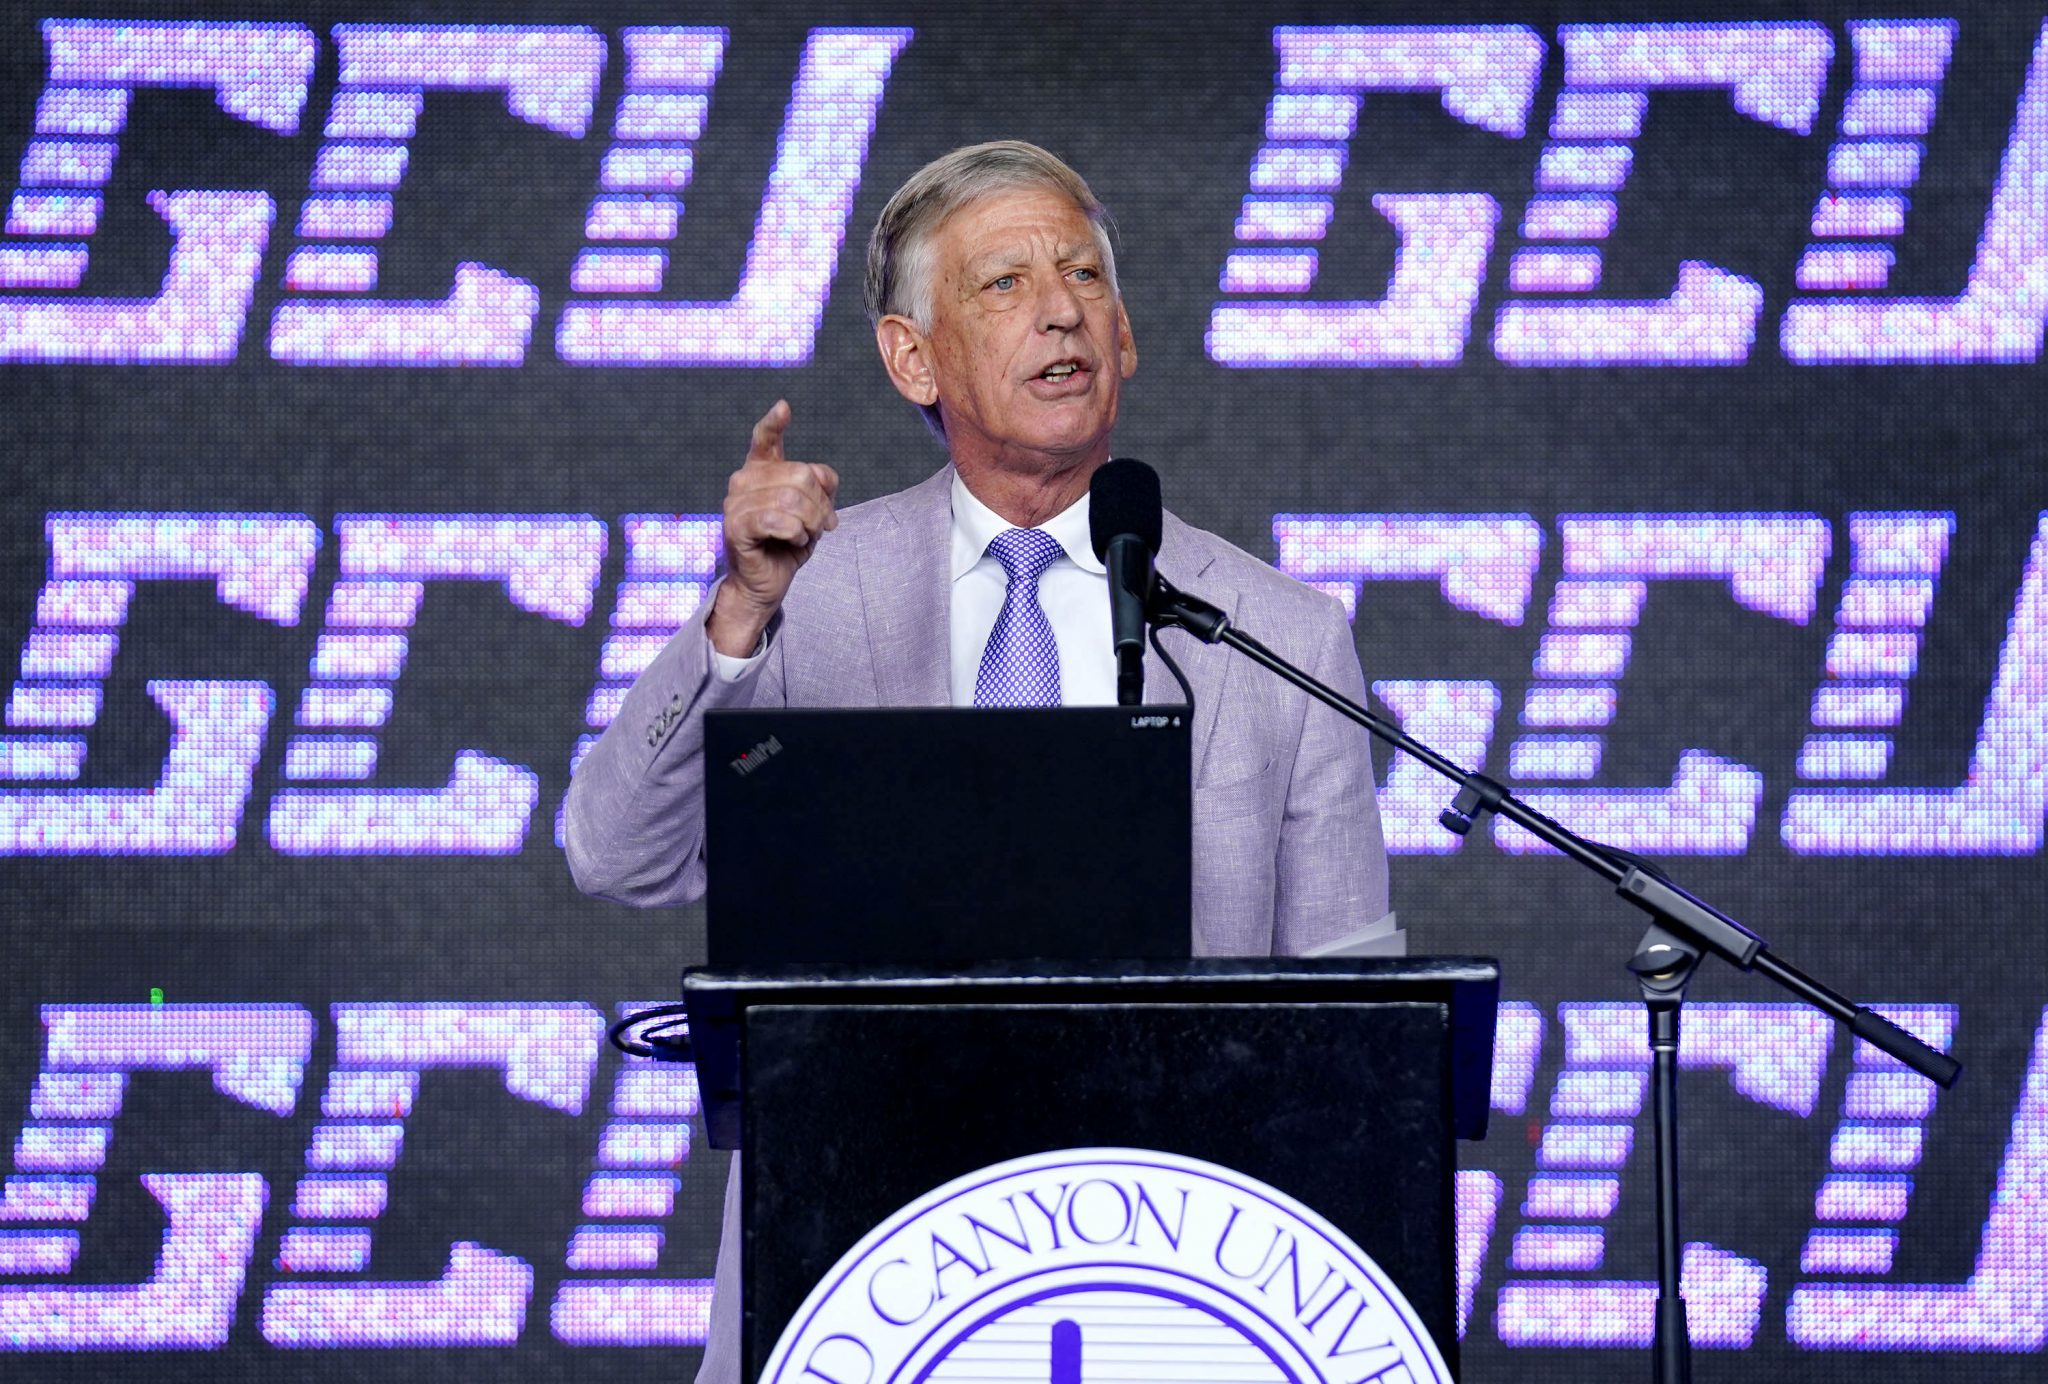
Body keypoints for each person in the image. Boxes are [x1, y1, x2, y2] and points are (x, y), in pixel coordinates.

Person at [563, 140, 1396, 1384]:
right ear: (912, 357)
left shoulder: (1278, 634)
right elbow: (614, 857)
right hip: (858, 1278)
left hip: (1172, 1287)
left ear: (1122, 337)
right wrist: (735, 615)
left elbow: (1359, 1032)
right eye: (1002, 283)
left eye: (1083, 277)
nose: (1060, 306)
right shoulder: (805, 593)